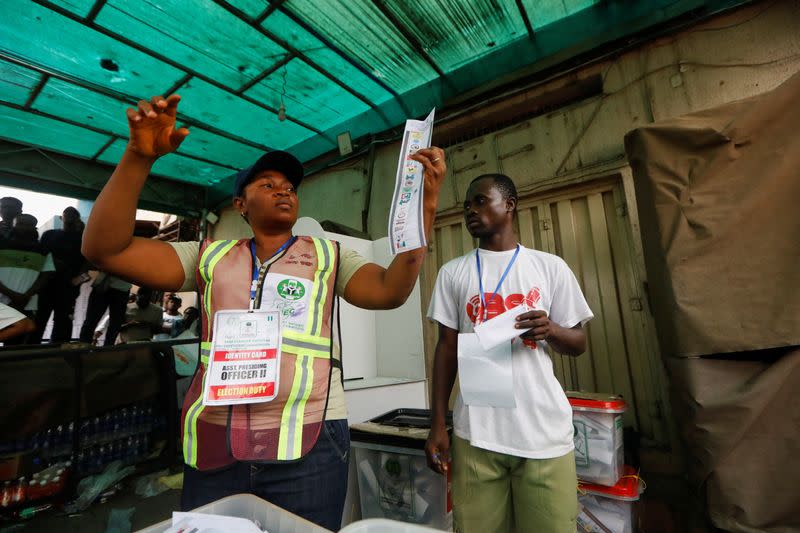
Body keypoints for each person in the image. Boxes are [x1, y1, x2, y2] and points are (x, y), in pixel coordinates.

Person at [81, 93, 446, 529]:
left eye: (289, 186)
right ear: (240, 205)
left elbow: (390, 290)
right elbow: (104, 249)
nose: (283, 191)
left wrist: (421, 209)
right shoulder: (208, 256)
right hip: (218, 441)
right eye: (267, 184)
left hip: (310, 441)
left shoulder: (329, 255)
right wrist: (138, 157)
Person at [425, 174, 593, 533]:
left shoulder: (549, 267)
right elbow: (446, 349)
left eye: (481, 200)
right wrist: (438, 423)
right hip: (476, 435)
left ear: (510, 205)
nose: (471, 209)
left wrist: (553, 330)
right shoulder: (453, 273)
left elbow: (578, 343)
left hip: (542, 432)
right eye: (467, 204)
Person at [32, 207, 88, 342]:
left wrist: (79, 279)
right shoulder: (49, 234)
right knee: (39, 320)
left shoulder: (83, 239)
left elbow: (87, 263)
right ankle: (31, 350)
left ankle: (58, 352)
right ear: (60, 218)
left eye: (73, 215)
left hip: (68, 288)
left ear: (77, 219)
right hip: (46, 285)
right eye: (67, 215)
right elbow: (39, 255)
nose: (70, 218)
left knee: (63, 323)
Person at [0, 214, 54, 344]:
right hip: (3, 301)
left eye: (28, 225)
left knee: (17, 341)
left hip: (27, 302)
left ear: (34, 228)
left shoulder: (43, 250)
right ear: (13, 225)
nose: (24, 228)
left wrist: (26, 295)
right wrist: (12, 295)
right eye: (20, 224)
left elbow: (45, 275)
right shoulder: (1, 245)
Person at [79, 272, 132, 346]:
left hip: (120, 287)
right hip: (105, 284)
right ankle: (82, 349)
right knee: (92, 321)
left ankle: (105, 350)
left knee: (114, 325)